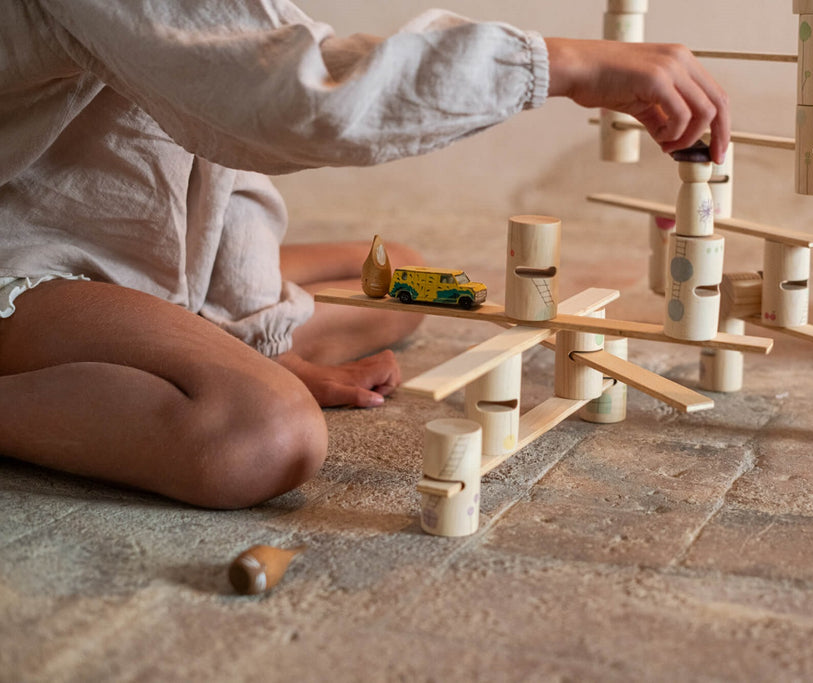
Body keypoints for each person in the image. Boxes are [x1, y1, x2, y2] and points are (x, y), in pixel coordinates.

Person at [0, 1, 729, 509]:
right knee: (266, 434)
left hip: (122, 241)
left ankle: (200, 342)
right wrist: (560, 63)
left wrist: (259, 330)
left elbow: (218, 130)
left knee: (415, 281)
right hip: (28, 251)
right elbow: (291, 97)